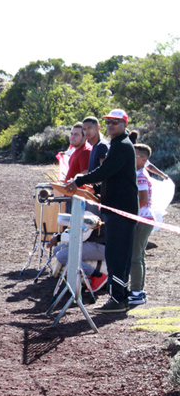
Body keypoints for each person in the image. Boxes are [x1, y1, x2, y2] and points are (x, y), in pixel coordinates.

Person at [65, 109, 138, 313]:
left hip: (122, 211)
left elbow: (106, 171)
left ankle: (118, 299)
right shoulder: (117, 144)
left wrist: (79, 181)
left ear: (124, 124)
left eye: (115, 122)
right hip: (116, 209)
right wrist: (94, 189)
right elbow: (112, 178)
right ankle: (119, 297)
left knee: (117, 256)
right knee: (116, 255)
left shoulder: (122, 145)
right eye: (108, 122)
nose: (111, 125)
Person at [129, 142, 156, 305]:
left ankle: (136, 291)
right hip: (144, 219)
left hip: (142, 220)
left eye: (135, 155)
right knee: (139, 256)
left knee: (135, 257)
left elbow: (143, 199)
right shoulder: (140, 172)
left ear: (143, 159)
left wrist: (130, 214)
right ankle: (138, 290)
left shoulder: (140, 175)